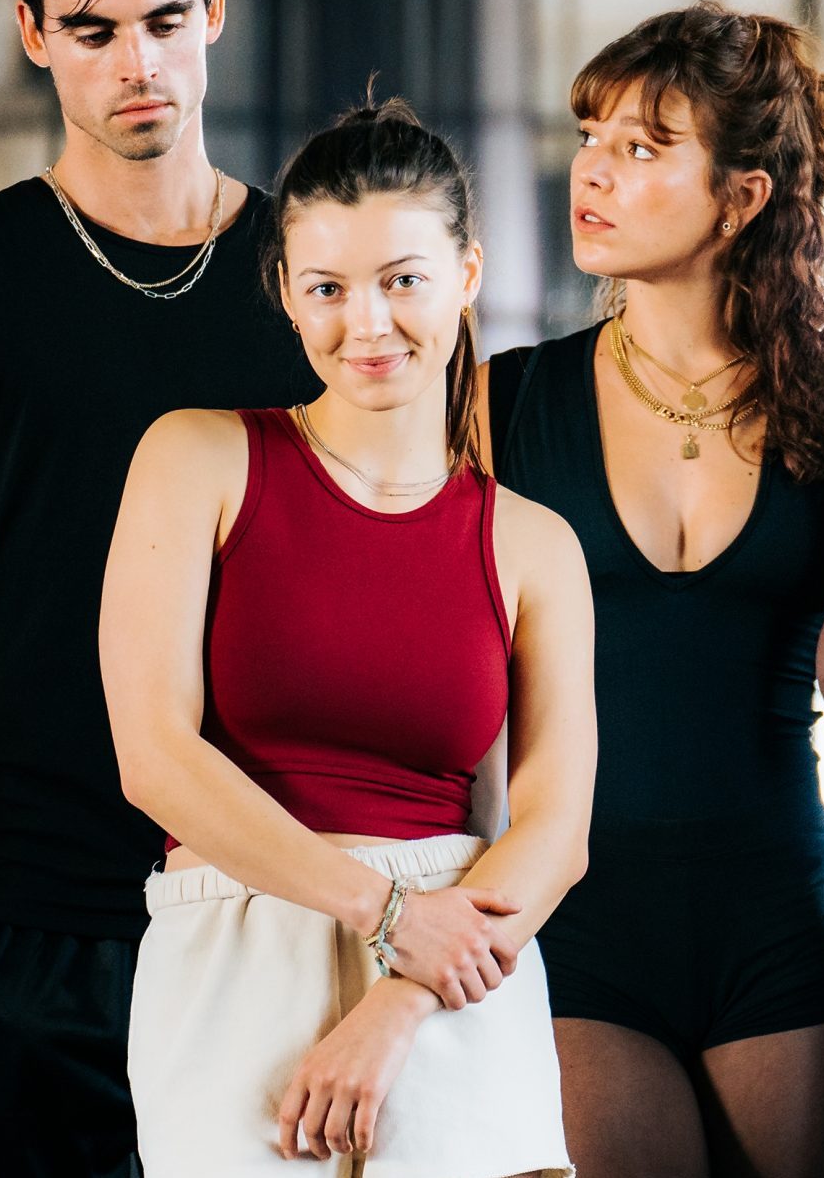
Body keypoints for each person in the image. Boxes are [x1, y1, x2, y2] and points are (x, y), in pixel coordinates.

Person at [0, 0, 319, 1176]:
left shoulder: (321, 290)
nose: (138, 66)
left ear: (215, 8)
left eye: (167, 22)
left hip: (272, 904)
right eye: (93, 30)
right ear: (32, 33)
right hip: (34, 933)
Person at [100, 100, 591, 1175]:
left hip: (458, 967)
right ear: (284, 293)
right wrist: (381, 914)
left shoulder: (533, 544)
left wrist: (404, 991)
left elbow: (555, 835)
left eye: (402, 280)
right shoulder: (195, 462)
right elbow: (154, 756)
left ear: (466, 274)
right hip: (235, 944)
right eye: (326, 288)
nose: (367, 324)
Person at [482, 2, 824, 1178]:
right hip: (574, 916)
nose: (592, 173)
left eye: (644, 148)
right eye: (591, 136)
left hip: (782, 916)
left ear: (743, 197)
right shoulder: (498, 407)